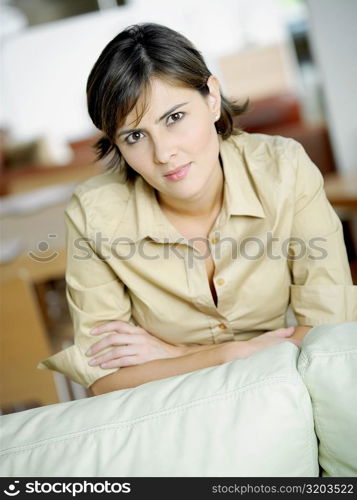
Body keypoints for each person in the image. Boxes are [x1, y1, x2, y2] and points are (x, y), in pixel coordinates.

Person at [38, 23, 356, 395]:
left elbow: (329, 335)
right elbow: (106, 380)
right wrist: (231, 354)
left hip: (291, 389)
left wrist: (176, 354)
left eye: (174, 117)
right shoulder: (94, 214)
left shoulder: (284, 169)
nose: (163, 153)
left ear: (212, 97)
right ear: (117, 145)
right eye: (135, 136)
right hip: (178, 408)